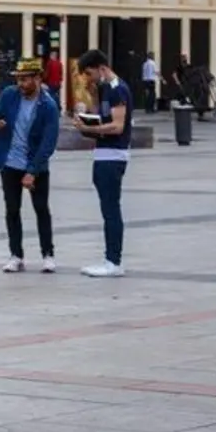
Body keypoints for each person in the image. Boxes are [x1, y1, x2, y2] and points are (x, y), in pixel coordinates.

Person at [0, 57, 60, 274]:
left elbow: (49, 143)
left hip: (35, 164)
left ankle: (48, 254)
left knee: (41, 209)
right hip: (9, 162)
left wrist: (32, 171)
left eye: (25, 79)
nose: (21, 83)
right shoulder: (9, 94)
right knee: (11, 209)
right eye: (18, 79)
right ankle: (16, 255)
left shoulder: (48, 106)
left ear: (38, 78)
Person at [72, 49, 132, 278]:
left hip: (113, 155)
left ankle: (113, 261)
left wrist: (89, 129)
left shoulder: (118, 89)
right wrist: (92, 100)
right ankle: (111, 258)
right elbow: (102, 116)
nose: (89, 78)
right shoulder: (106, 88)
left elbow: (117, 125)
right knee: (108, 208)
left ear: (101, 68)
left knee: (111, 209)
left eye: (89, 73)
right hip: (104, 153)